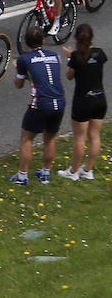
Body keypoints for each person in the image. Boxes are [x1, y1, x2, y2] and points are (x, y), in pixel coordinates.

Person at [10, 27, 66, 185]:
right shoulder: (56, 56)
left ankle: (22, 176)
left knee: (26, 139)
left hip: (41, 102)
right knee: (50, 139)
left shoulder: (24, 59)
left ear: (27, 43)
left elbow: (19, 84)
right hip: (60, 101)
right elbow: (46, 78)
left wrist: (18, 70)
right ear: (43, 41)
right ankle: (45, 173)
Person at [60, 23, 105, 181]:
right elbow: (90, 60)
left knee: (80, 138)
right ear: (92, 38)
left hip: (83, 102)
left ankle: (73, 172)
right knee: (95, 136)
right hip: (100, 99)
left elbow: (69, 75)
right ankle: (88, 169)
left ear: (76, 38)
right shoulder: (99, 54)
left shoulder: (75, 57)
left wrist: (70, 57)